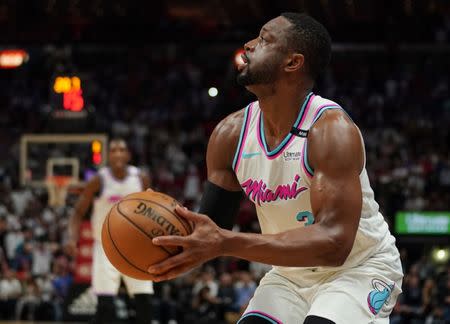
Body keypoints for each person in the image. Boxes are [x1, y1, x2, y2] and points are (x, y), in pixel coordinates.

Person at [146, 12, 403, 324]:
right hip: (290, 275)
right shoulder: (230, 135)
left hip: (359, 268)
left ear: (292, 63)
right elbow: (210, 230)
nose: (249, 45)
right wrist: (162, 233)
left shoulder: (330, 130)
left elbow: (334, 245)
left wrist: (225, 242)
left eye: (265, 39)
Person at [68, 138, 153, 324]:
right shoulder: (99, 180)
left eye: (122, 150)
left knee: (144, 299)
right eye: (113, 150)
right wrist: (71, 238)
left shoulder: (141, 178)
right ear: (107, 155)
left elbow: (153, 211)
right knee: (105, 302)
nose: (118, 154)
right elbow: (78, 212)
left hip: (135, 246)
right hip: (105, 245)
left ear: (129, 155)